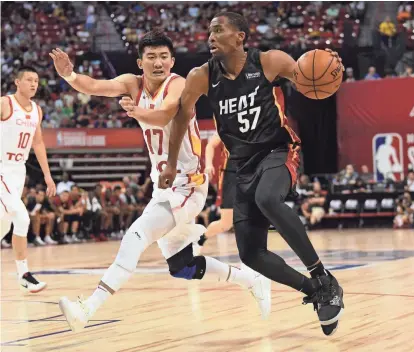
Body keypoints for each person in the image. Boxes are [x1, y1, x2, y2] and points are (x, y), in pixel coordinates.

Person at [49, 29, 270, 332]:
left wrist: (137, 111)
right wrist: (71, 75)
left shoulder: (179, 83)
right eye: (151, 57)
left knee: (135, 237)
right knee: (183, 266)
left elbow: (165, 115)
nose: (158, 62)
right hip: (164, 186)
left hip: (189, 185)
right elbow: (96, 86)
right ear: (140, 62)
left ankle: (87, 309)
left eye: (163, 56)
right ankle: (251, 279)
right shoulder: (131, 83)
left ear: (172, 60)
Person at [159, 12, 344, 336]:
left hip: (277, 151)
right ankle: (315, 292)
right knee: (251, 254)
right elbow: (179, 119)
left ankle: (323, 277)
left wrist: (329, 64)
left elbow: (306, 74)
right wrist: (172, 164)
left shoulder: (269, 62)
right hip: (240, 164)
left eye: (219, 30)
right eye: (209, 31)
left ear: (241, 37)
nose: (210, 37)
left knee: (268, 198)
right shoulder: (201, 76)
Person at [1, 66, 57, 293]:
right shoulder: (5, 103)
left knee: (4, 223)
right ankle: (24, 274)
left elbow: (38, 143)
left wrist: (47, 174)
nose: (34, 84)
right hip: (1, 167)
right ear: (17, 82)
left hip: (18, 170)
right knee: (22, 217)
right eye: (29, 80)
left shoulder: (36, 110)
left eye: (36, 80)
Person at [200, 133, 235, 245]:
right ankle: (200, 239)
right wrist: (209, 164)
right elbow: (210, 145)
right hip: (231, 174)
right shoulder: (226, 121)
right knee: (226, 224)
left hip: (252, 172)